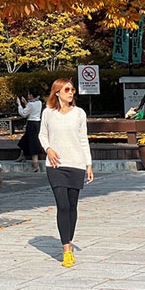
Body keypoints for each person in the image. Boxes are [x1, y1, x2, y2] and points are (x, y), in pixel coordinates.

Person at [39, 78, 94, 268]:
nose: (71, 93)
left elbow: (83, 139)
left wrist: (88, 164)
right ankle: (66, 250)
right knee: (62, 205)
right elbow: (42, 135)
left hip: (76, 164)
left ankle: (68, 238)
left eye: (72, 90)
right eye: (67, 90)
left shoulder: (79, 113)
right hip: (55, 166)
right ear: (57, 93)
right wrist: (48, 149)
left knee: (72, 207)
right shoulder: (48, 113)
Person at [16, 89, 44, 171]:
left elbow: (24, 113)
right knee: (25, 140)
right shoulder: (39, 102)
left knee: (33, 142)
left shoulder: (31, 104)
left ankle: (36, 165)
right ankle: (22, 156)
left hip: (31, 124)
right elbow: (31, 109)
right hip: (37, 123)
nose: (28, 96)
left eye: (28, 94)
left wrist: (19, 105)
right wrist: (26, 103)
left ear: (31, 95)